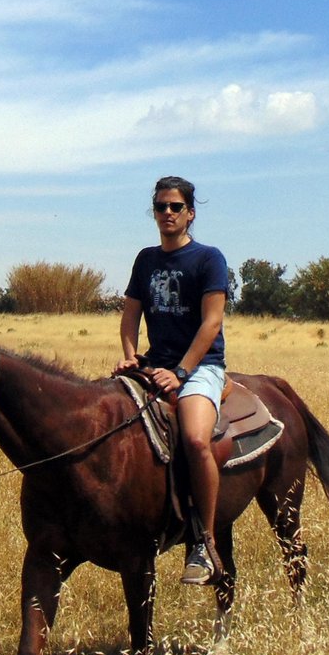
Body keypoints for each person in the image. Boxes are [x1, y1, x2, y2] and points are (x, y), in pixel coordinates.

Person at [114, 176, 228, 585]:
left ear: (190, 214)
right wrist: (131, 358)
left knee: (196, 438)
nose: (167, 214)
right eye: (160, 207)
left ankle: (204, 541)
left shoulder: (208, 259)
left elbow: (212, 322)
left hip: (200, 367)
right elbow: (130, 316)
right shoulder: (146, 259)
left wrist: (181, 373)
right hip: (153, 364)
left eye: (175, 207)